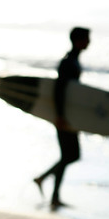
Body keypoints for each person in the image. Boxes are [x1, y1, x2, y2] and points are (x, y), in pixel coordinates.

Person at [34, 27, 90, 209]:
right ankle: (50, 191)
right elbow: (59, 90)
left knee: (70, 154)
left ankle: (47, 185)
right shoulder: (68, 63)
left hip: (68, 116)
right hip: (64, 116)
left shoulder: (73, 61)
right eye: (87, 38)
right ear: (79, 40)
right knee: (70, 154)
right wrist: (60, 116)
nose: (89, 42)